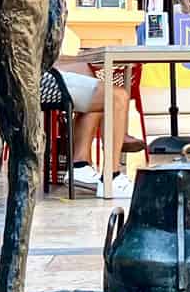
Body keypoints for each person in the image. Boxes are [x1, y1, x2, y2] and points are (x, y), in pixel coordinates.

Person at [55, 66, 134, 199]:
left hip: (32, 76)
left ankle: (80, 164)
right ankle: (111, 178)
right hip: (43, 78)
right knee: (117, 96)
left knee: (97, 90)